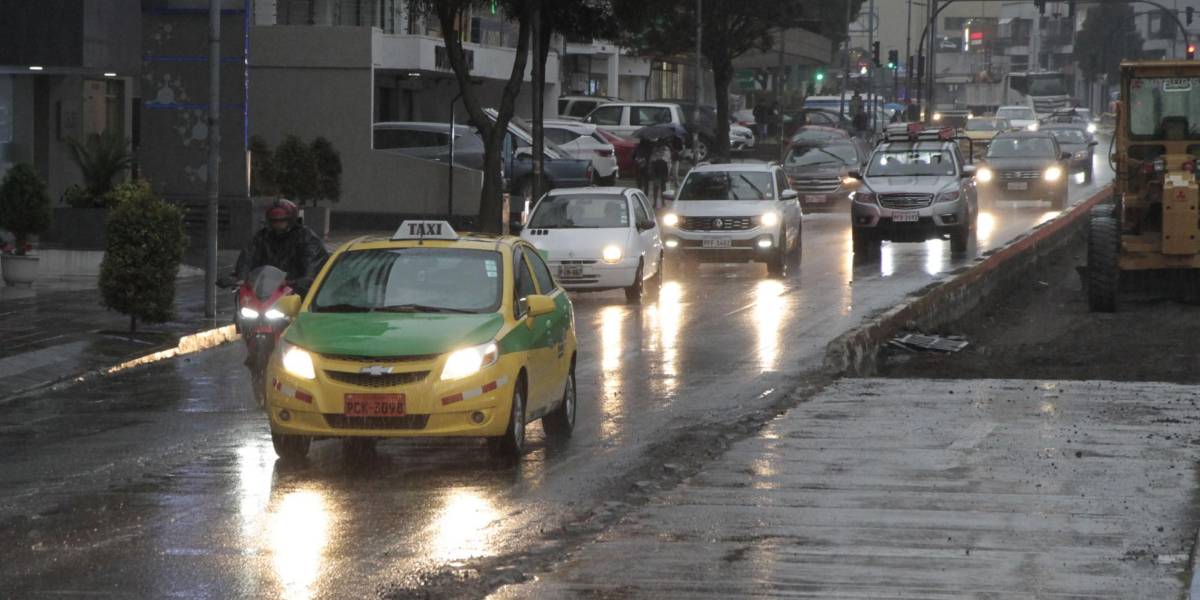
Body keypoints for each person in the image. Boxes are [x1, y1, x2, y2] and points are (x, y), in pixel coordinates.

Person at [231, 199, 330, 297]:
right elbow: (248, 256)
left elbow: (312, 263)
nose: (278, 224)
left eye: (283, 220)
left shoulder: (306, 238)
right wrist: (241, 278)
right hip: (265, 290)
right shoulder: (261, 237)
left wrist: (303, 281)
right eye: (274, 221)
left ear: (291, 220)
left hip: (296, 291)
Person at [649, 138, 674, 208]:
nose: (660, 144)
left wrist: (669, 173)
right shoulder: (655, 149)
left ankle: (662, 203)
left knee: (662, 188)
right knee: (656, 188)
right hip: (657, 171)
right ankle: (656, 203)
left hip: (663, 170)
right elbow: (652, 160)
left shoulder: (666, 149)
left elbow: (669, 161)